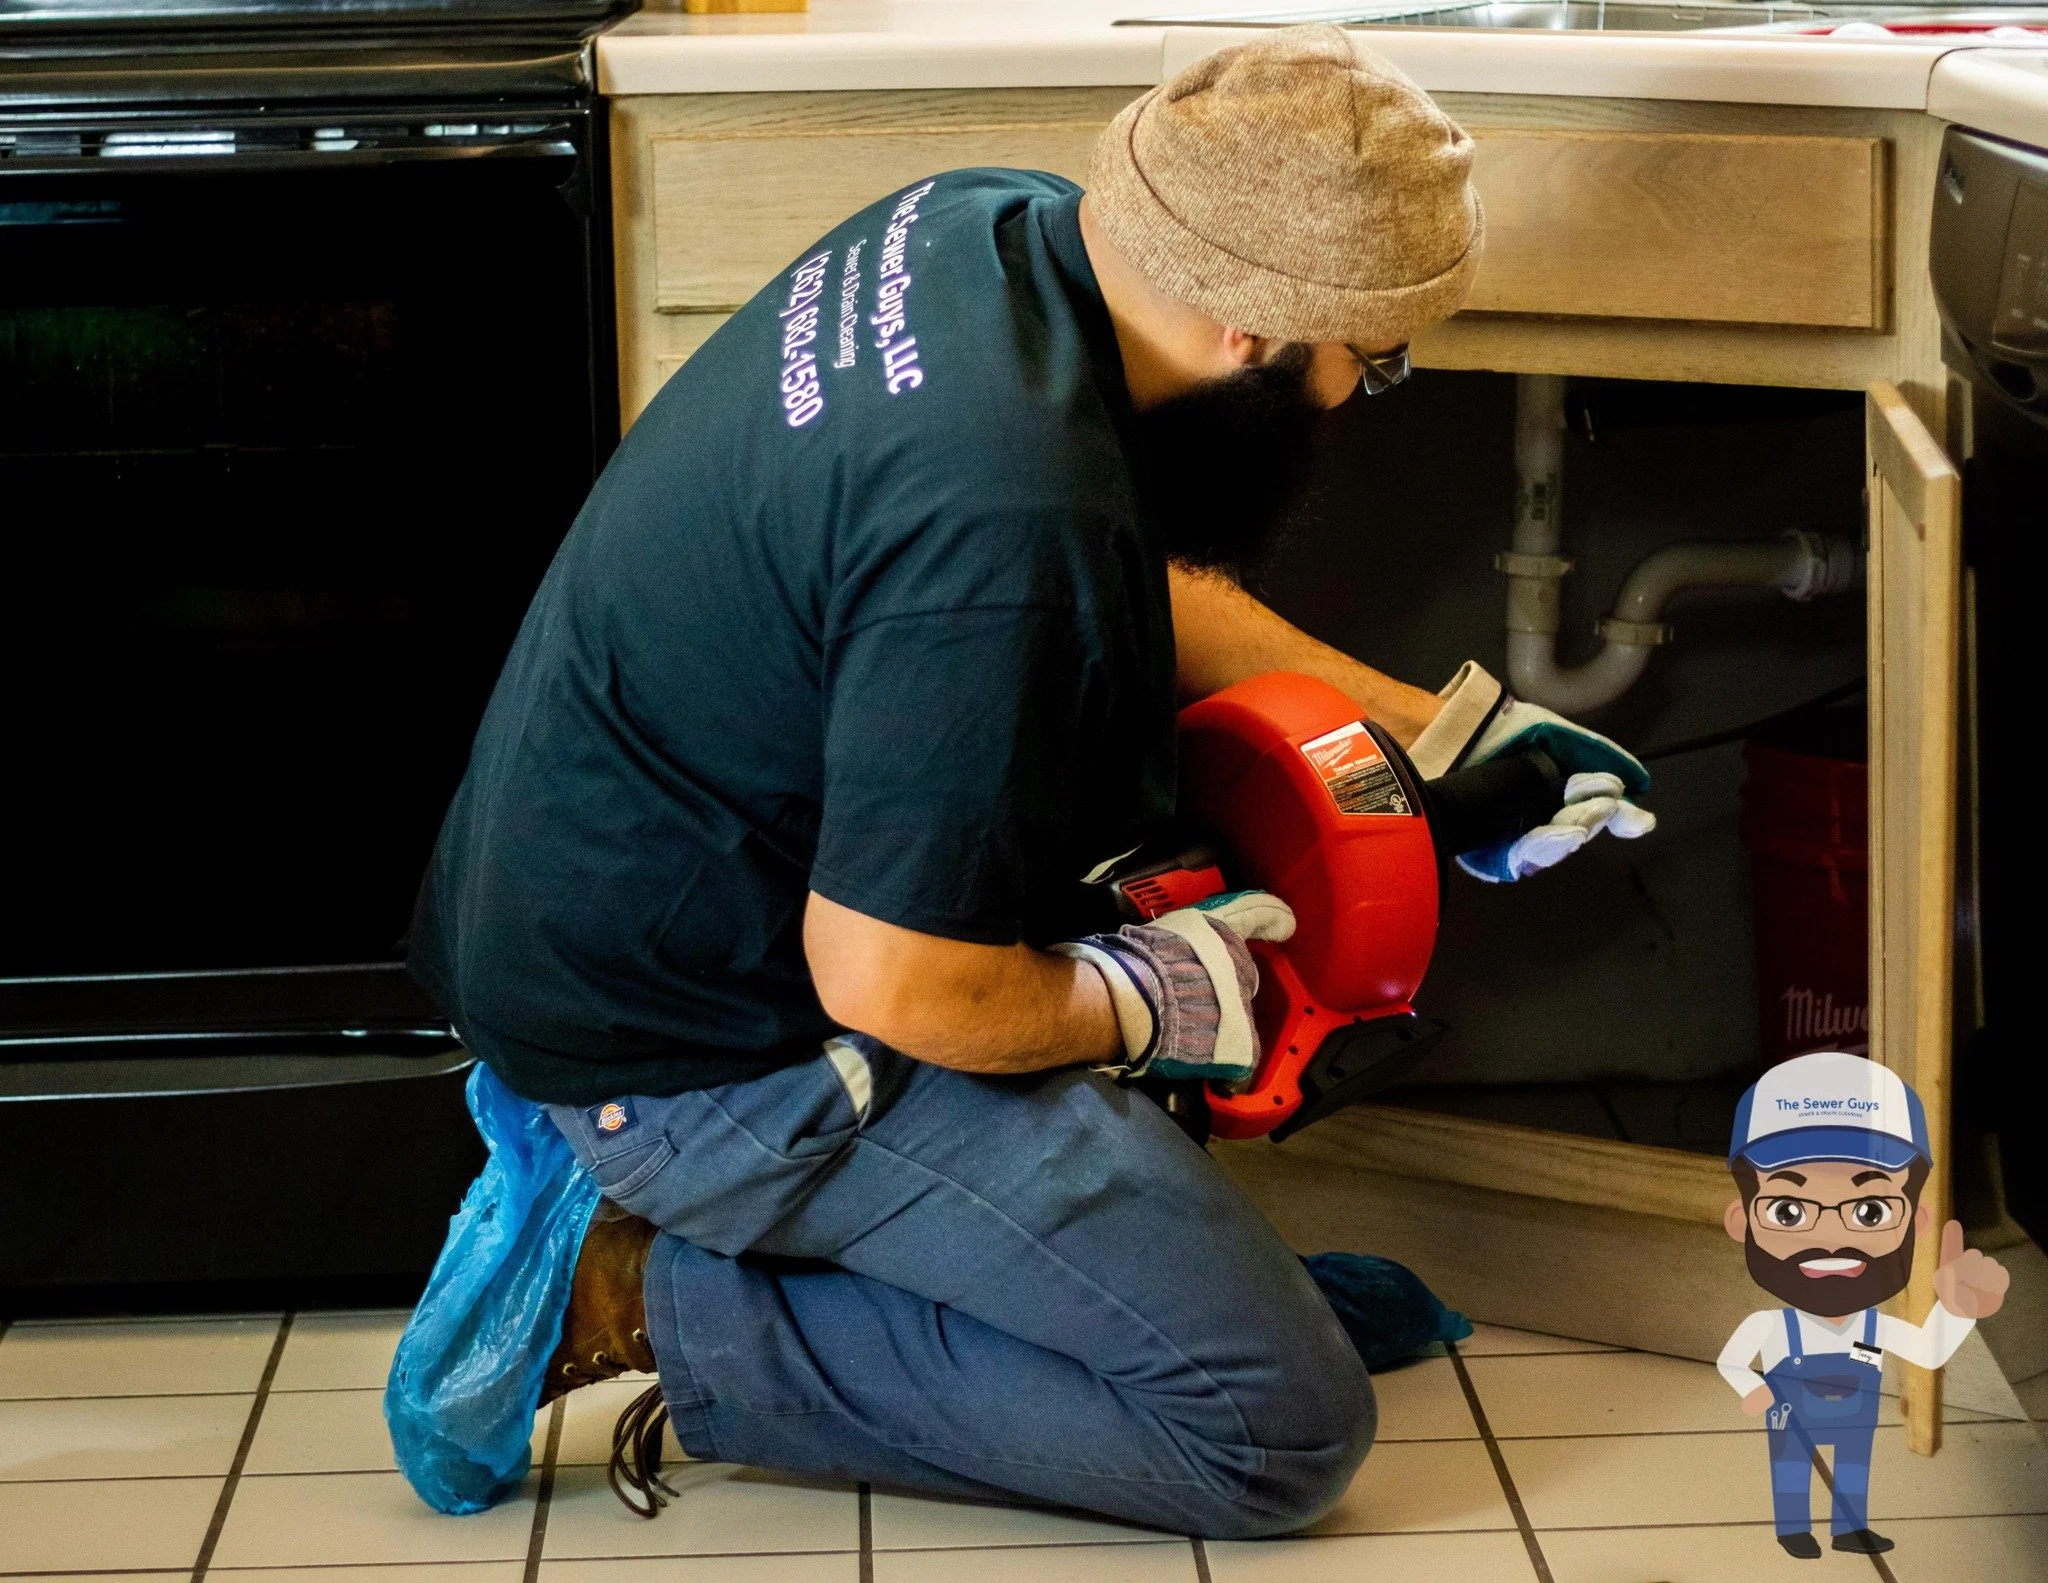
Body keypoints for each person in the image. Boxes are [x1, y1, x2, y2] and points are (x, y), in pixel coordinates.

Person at [408, 25, 1656, 1538]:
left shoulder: (987, 230)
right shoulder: (998, 518)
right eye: (1371, 357)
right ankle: (644, 1294)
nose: (1356, 394)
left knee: (1143, 857)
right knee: (1277, 1429)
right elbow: (893, 976)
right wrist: (1144, 999)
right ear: (1251, 331)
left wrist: (1439, 731)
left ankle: (1096, 1287)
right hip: (704, 1053)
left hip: (597, 902)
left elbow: (1110, 556)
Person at [1717, 1051, 2010, 1560]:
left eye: (1870, 1211)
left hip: (1854, 1414)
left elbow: (1927, 1351)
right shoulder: (1769, 1324)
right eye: (1789, 1211)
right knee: (1791, 1467)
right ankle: (1793, 1529)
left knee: (1854, 1465)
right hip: (1788, 1410)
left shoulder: (1877, 1325)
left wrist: (1957, 1309)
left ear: (1916, 1222)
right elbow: (1732, 1362)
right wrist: (1756, 1392)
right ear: (1742, 1223)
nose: (1831, 1238)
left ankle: (1849, 1529)